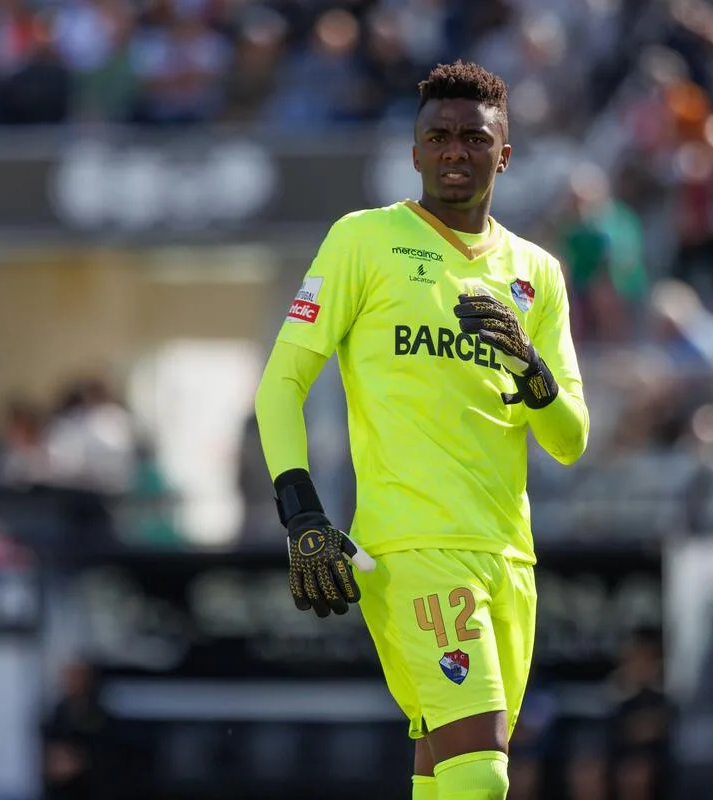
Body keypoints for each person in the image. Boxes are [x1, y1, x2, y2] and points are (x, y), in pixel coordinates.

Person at [253, 61, 588, 800]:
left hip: (508, 554)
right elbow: (280, 385)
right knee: (484, 775)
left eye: (474, 137)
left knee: (443, 775)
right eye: (437, 136)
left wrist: (530, 367)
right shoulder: (364, 241)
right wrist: (300, 510)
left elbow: (570, 438)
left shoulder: (537, 273)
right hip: (414, 545)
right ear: (414, 152)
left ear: (505, 153)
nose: (454, 152)